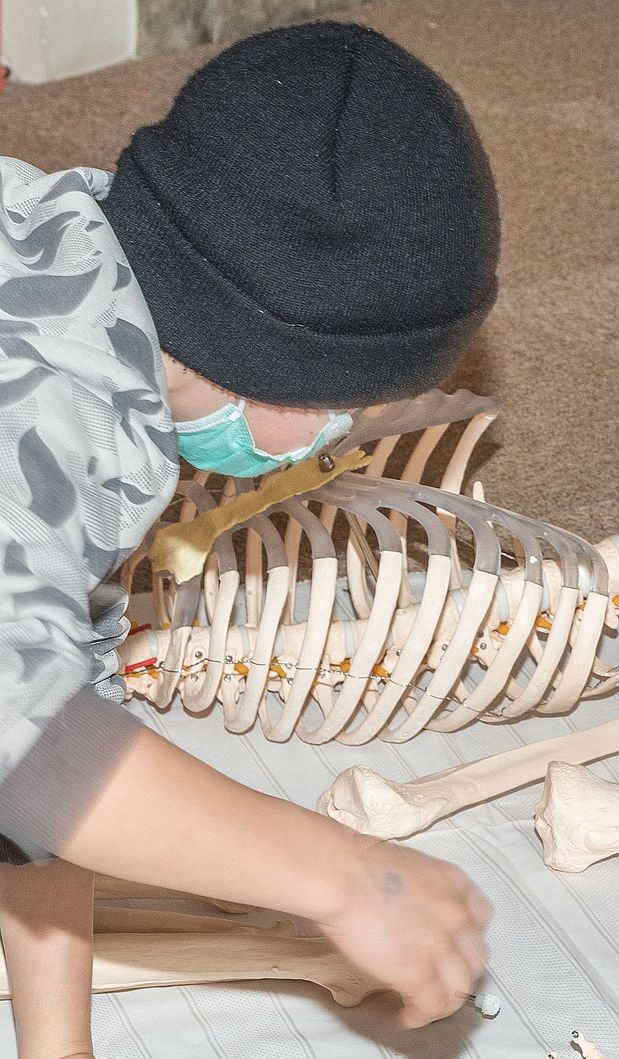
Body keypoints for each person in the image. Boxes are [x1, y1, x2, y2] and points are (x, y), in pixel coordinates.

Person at [0, 21, 500, 1057]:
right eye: (344, 405)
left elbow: (45, 759)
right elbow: (21, 733)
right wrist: (347, 876)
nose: (337, 438)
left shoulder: (65, 244)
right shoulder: (61, 420)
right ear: (258, 345)